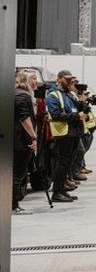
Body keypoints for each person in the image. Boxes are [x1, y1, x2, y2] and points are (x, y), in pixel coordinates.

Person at [45, 70, 85, 202]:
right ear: (59, 79)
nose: (69, 81)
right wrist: (76, 116)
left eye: (70, 79)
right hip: (63, 133)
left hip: (73, 132)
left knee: (67, 163)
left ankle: (62, 190)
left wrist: (82, 103)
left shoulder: (69, 94)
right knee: (62, 163)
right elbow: (56, 115)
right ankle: (56, 192)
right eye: (66, 79)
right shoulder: (53, 95)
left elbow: (77, 109)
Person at [14, 70, 39, 214]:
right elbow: (25, 119)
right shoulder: (23, 96)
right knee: (18, 173)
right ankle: (13, 205)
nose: (36, 82)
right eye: (33, 78)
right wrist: (34, 137)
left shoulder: (14, 93)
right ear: (26, 81)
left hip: (13, 138)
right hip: (21, 140)